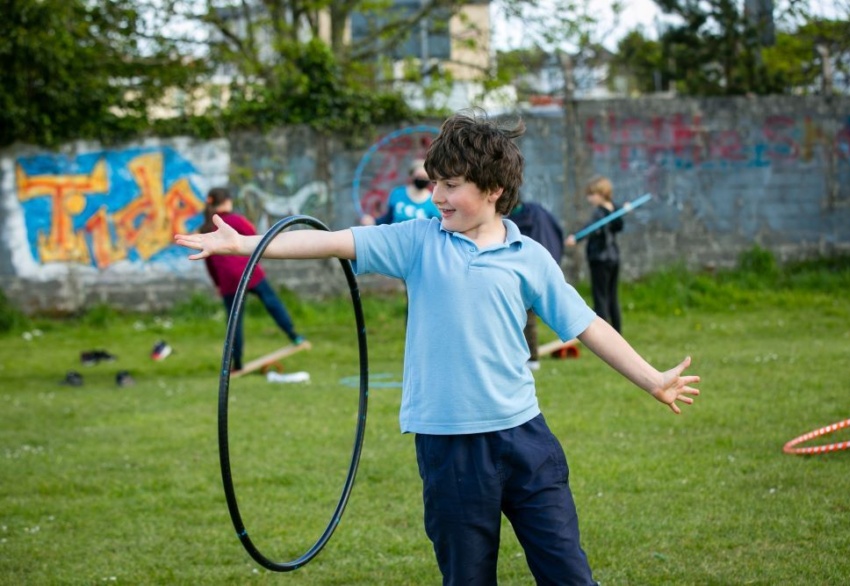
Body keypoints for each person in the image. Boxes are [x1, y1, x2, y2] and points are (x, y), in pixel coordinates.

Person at [176, 111, 700, 585]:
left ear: (493, 188)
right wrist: (244, 244)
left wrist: (652, 378)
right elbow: (333, 240)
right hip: (449, 447)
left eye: (451, 185)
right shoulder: (419, 241)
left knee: (567, 569)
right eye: (435, 184)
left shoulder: (529, 257)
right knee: (467, 577)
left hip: (525, 438)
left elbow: (588, 325)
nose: (438, 196)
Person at [197, 187, 305, 372]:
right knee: (271, 302)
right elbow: (254, 235)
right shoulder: (235, 220)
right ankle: (294, 336)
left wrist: (217, 284)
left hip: (227, 280)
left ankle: (237, 363)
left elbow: (208, 263)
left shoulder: (205, 229)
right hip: (249, 272)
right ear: (227, 201)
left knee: (234, 322)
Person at [508, 200, 564, 371]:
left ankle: (531, 358)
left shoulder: (532, 218)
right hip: (520, 274)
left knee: (528, 318)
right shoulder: (531, 215)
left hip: (529, 275)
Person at [566, 176, 624, 333]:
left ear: (601, 193)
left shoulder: (599, 213)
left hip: (600, 259)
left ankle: (605, 335)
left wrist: (576, 238)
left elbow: (590, 228)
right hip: (614, 258)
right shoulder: (614, 209)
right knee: (612, 297)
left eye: (591, 194)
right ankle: (618, 333)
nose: (589, 198)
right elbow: (619, 226)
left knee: (600, 298)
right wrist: (623, 209)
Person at [360, 159, 440, 225]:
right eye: (419, 176)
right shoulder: (397, 193)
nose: (422, 179)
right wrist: (374, 221)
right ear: (412, 176)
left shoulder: (434, 200)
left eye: (425, 177)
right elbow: (388, 218)